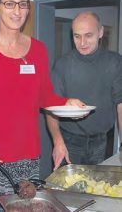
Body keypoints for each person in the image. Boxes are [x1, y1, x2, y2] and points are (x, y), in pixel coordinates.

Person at [0, 0, 84, 211]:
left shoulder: (38, 49)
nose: (17, 11)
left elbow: (45, 96)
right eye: (10, 4)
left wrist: (66, 103)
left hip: (29, 156)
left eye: (23, 4)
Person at [46, 11, 122, 170]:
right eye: (77, 36)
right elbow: (50, 107)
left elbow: (121, 105)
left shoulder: (115, 62)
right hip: (69, 141)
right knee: (67, 190)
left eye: (88, 35)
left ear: (100, 32)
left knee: (94, 188)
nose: (82, 42)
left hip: (101, 140)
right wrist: (57, 142)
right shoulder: (62, 65)